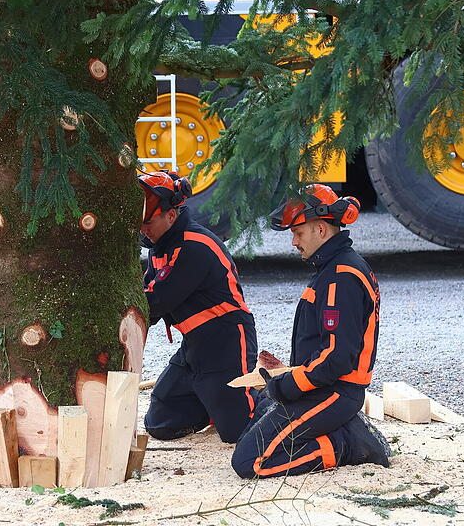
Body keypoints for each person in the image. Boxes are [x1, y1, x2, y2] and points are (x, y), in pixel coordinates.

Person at [232, 184, 390, 478]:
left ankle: (348, 443)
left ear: (320, 230)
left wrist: (287, 385)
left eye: (298, 232)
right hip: (320, 387)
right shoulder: (332, 269)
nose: (293, 241)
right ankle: (343, 428)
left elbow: (336, 358)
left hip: (334, 392)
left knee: (249, 463)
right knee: (251, 423)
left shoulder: (341, 277)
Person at [139, 170, 257, 443]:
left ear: (171, 215)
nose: (144, 230)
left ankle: (262, 398)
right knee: (160, 422)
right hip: (194, 345)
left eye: (149, 222)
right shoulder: (160, 245)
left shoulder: (194, 246)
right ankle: (213, 401)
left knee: (237, 431)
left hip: (225, 341)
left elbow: (156, 302)